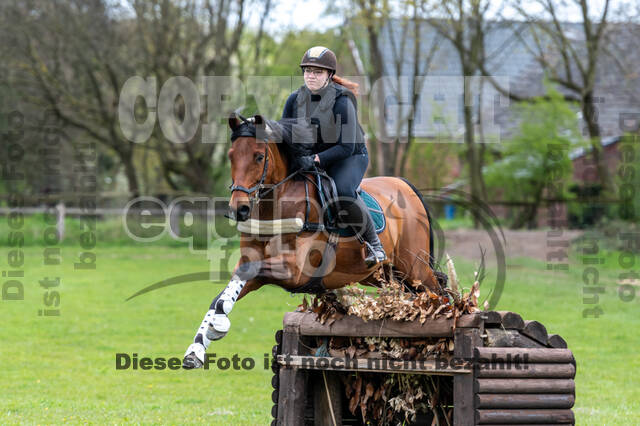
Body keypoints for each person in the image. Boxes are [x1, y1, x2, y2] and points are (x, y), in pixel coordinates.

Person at [281, 46, 386, 266]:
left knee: (343, 191)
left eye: (317, 72)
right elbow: (285, 134)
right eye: (308, 70)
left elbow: (346, 147)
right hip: (313, 155)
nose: (311, 75)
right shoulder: (294, 100)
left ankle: (375, 246)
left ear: (329, 75)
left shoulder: (342, 101)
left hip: (350, 156)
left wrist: (316, 160)